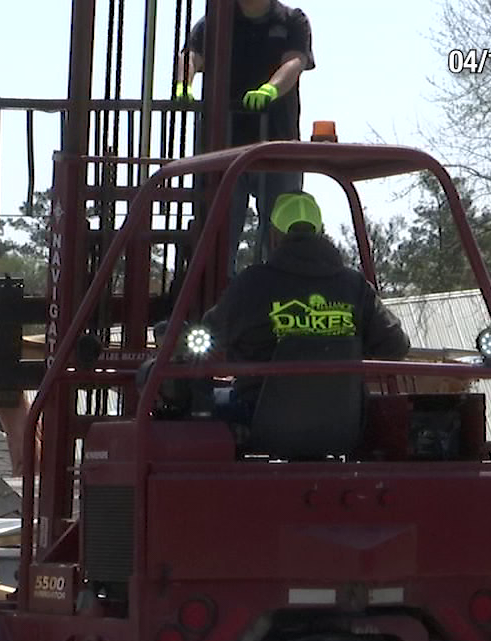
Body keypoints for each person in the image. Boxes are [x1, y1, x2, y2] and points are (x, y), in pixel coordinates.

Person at [202, 191, 411, 425]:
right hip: (342, 423)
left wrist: (177, 338)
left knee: (199, 407)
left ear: (273, 236)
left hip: (262, 422)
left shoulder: (251, 285)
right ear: (320, 233)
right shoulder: (355, 286)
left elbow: (207, 337)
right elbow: (396, 346)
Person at [173, 0, 315, 273]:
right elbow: (191, 55)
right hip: (221, 148)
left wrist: (270, 90)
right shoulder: (216, 21)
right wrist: (183, 83)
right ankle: (217, 305)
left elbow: (295, 61)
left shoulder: (292, 20)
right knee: (218, 237)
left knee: (279, 236)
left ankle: (277, 293)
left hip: (276, 146)